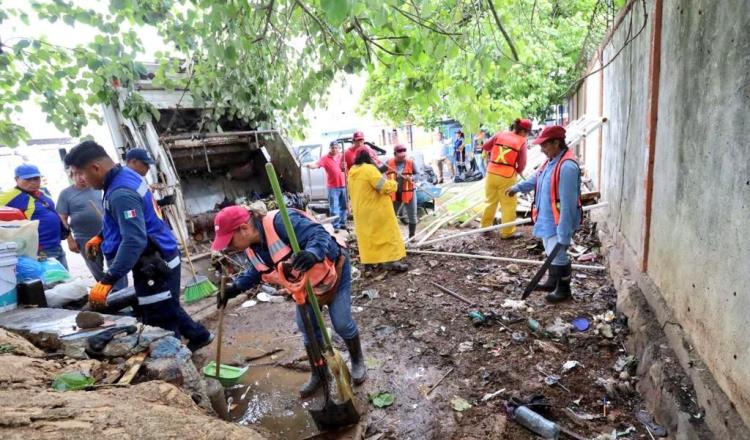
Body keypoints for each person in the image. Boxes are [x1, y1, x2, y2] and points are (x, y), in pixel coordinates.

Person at [63, 141, 213, 351]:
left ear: (95, 167)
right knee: (166, 304)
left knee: (159, 317)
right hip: (157, 252)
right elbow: (114, 219)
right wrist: (100, 236)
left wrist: (109, 279)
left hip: (154, 261)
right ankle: (200, 336)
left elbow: (134, 240)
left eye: (80, 174)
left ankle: (175, 362)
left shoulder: (121, 192)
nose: (80, 180)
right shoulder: (121, 176)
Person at [211, 204, 366, 396]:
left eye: (229, 240)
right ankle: (319, 373)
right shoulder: (251, 248)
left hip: (333, 271)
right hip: (305, 285)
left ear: (243, 228)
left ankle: (357, 360)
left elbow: (319, 234)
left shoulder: (281, 222)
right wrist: (234, 288)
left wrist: (313, 253)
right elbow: (259, 270)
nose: (227, 247)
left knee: (341, 322)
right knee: (307, 328)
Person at [507, 125, 582, 303]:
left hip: (559, 221)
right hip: (547, 218)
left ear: (556, 143)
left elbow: (568, 204)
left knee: (558, 254)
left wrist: (564, 233)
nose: (541, 149)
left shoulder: (567, 167)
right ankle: (552, 281)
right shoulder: (551, 160)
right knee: (550, 251)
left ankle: (564, 290)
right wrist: (518, 188)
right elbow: (537, 177)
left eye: (545, 145)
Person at [57, 168, 127, 290]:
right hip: (85, 239)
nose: (81, 178)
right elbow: (62, 218)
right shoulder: (66, 194)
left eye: (83, 174)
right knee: (95, 267)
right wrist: (70, 240)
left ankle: (122, 292)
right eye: (77, 175)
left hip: (108, 235)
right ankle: (106, 291)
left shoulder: (98, 188)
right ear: (71, 176)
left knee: (116, 264)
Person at [348, 150, 407, 271]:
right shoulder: (369, 169)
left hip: (361, 211)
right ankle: (392, 261)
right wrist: (394, 183)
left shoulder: (352, 171)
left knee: (368, 238)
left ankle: (369, 263)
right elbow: (382, 186)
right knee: (387, 235)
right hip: (376, 210)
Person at [0, 164, 68, 268]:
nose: (33, 182)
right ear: (16, 179)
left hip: (56, 245)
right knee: (54, 281)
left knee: (65, 279)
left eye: (36, 178)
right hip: (40, 250)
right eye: (28, 179)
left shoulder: (43, 192)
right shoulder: (9, 195)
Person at [479, 118, 531, 239]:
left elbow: (486, 146)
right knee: (508, 204)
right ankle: (507, 232)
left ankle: (485, 228)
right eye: (527, 132)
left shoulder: (500, 134)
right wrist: (517, 171)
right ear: (523, 131)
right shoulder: (521, 141)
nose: (527, 135)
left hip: (491, 173)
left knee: (490, 202)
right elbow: (522, 163)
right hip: (507, 176)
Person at [304, 141, 348, 231]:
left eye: (336, 148)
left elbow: (349, 166)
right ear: (330, 148)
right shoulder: (325, 158)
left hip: (343, 185)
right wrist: (310, 166)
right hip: (333, 187)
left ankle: (343, 223)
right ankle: (336, 225)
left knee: (343, 206)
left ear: (339, 148)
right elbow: (317, 165)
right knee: (334, 207)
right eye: (333, 148)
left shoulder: (342, 156)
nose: (334, 149)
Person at [386, 144, 419, 239]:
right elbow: (377, 171)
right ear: (395, 154)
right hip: (395, 193)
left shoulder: (411, 162)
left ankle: (412, 236)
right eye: (400, 157)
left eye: (404, 156)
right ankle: (392, 236)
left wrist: (412, 178)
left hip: (409, 192)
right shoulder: (389, 162)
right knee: (391, 216)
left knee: (412, 215)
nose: (402, 158)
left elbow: (419, 175)